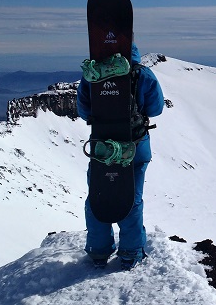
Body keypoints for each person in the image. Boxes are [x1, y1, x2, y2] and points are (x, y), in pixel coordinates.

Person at [77, 43, 164, 270]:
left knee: (99, 193)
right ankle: (130, 253)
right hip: (135, 144)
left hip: (102, 146)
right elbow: (156, 108)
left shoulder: (92, 73)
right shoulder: (143, 73)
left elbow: (84, 110)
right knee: (131, 198)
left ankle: (98, 251)